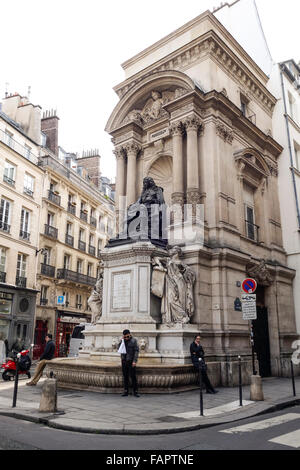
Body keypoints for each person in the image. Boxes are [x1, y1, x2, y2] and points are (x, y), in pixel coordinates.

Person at [118, 329, 140, 397]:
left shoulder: (134, 340)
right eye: (125, 336)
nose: (126, 338)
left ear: (129, 334)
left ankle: (135, 392)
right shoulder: (122, 341)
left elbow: (136, 351)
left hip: (131, 361)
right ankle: (126, 391)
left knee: (133, 377)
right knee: (125, 377)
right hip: (124, 361)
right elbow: (118, 349)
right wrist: (122, 341)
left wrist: (134, 361)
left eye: (127, 336)